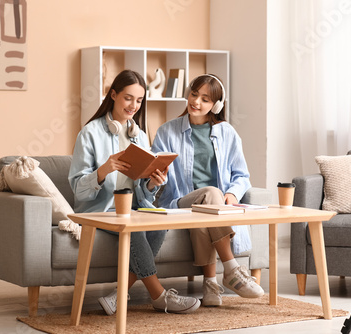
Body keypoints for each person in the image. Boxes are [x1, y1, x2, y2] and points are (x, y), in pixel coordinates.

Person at [68, 69, 200, 315]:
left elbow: (144, 192)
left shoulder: (138, 135)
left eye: (139, 100)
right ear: (114, 94)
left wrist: (153, 182)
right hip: (101, 209)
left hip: (133, 207)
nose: (133, 106)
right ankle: (159, 295)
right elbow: (78, 189)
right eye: (128, 98)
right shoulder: (90, 133)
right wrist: (104, 169)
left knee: (160, 223)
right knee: (135, 230)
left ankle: (118, 296)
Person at [151, 74, 264, 307]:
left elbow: (242, 175)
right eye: (194, 95)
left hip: (210, 208)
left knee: (207, 209)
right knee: (211, 193)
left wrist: (232, 193)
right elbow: (152, 179)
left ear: (216, 105)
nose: (196, 102)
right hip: (180, 201)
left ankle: (210, 284)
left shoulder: (228, 133)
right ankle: (232, 270)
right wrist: (155, 178)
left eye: (205, 99)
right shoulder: (166, 131)